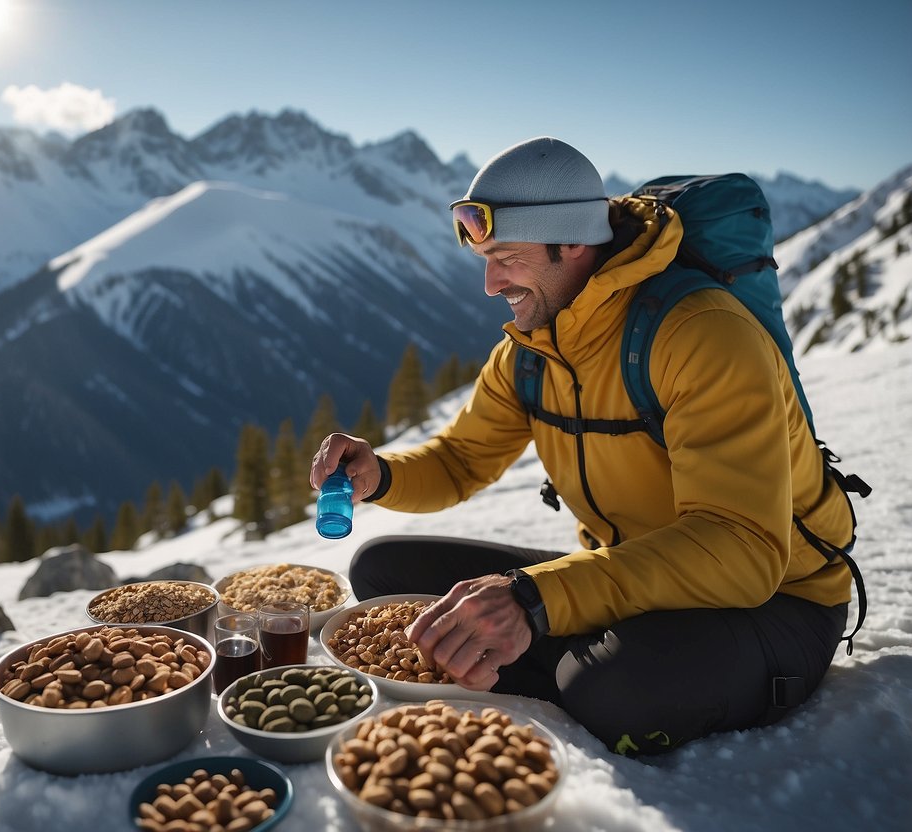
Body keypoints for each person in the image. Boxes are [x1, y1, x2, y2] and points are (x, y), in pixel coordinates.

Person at [308, 136, 856, 756]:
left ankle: (556, 656)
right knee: (382, 570)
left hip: (775, 600)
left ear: (571, 242)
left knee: (614, 691)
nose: (490, 284)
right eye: (485, 259)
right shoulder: (533, 347)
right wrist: (377, 474)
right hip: (636, 568)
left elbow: (742, 548)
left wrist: (534, 600)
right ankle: (547, 648)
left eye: (506, 256)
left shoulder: (703, 334)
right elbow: (461, 460)